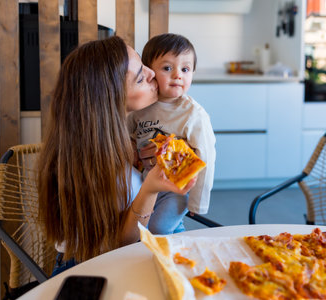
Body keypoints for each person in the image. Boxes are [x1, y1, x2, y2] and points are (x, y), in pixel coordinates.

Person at [37, 36, 196, 276]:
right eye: (141, 78)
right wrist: (150, 188)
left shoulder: (111, 134)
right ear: (111, 98)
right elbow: (122, 244)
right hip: (91, 271)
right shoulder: (90, 162)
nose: (152, 73)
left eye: (144, 65)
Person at [128, 33, 216, 235]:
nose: (178, 75)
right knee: (139, 229)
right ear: (149, 72)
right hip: (144, 183)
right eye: (167, 68)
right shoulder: (141, 106)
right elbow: (127, 134)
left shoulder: (193, 114)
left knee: (158, 228)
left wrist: (198, 203)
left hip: (176, 189)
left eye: (185, 69)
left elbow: (207, 158)